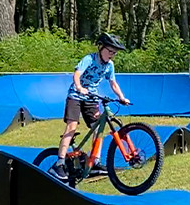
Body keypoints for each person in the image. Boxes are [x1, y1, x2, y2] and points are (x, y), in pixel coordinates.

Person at [51, 33, 131, 180]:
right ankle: (59, 163)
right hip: (75, 96)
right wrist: (79, 87)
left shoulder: (110, 66)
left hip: (91, 98)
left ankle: (95, 162)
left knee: (98, 127)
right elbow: (77, 74)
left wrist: (121, 97)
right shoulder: (89, 59)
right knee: (71, 127)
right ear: (101, 48)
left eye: (115, 53)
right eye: (110, 51)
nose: (112, 55)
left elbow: (113, 83)